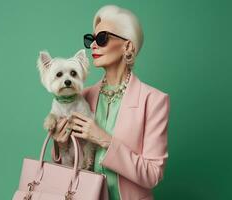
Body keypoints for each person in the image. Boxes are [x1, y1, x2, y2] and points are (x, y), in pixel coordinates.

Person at [51, 5, 170, 200]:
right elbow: (64, 168)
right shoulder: (83, 96)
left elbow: (153, 175)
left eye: (102, 38)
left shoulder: (153, 100)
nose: (94, 46)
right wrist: (60, 144)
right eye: (91, 39)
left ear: (128, 46)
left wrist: (104, 139)